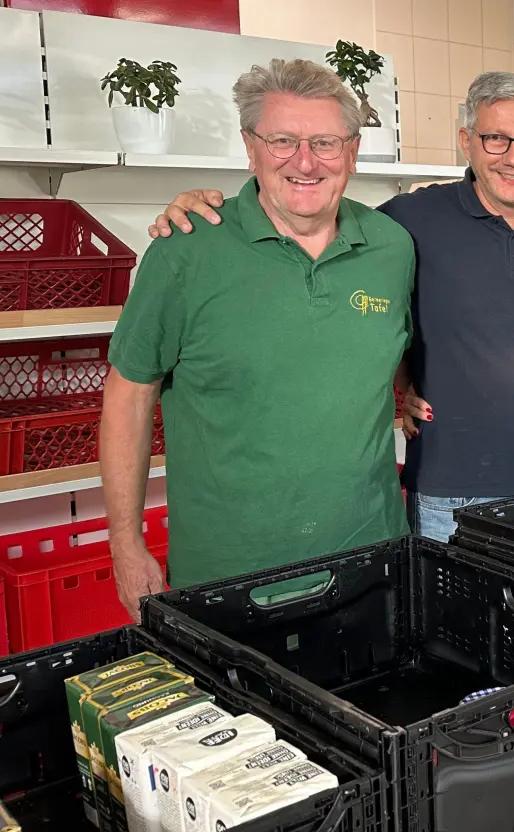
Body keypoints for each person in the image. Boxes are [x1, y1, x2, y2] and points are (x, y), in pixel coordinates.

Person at [148, 72, 514, 541]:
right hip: (449, 495)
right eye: (497, 139)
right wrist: (207, 205)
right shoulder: (410, 218)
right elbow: (307, 210)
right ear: (467, 142)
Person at [102, 59, 415, 617]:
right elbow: (127, 395)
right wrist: (126, 548)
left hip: (370, 561)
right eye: (282, 141)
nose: (304, 161)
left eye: (324, 142)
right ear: (250, 147)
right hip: (229, 577)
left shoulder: (391, 246)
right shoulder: (185, 250)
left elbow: (383, 350)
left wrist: (411, 387)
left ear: (352, 149)